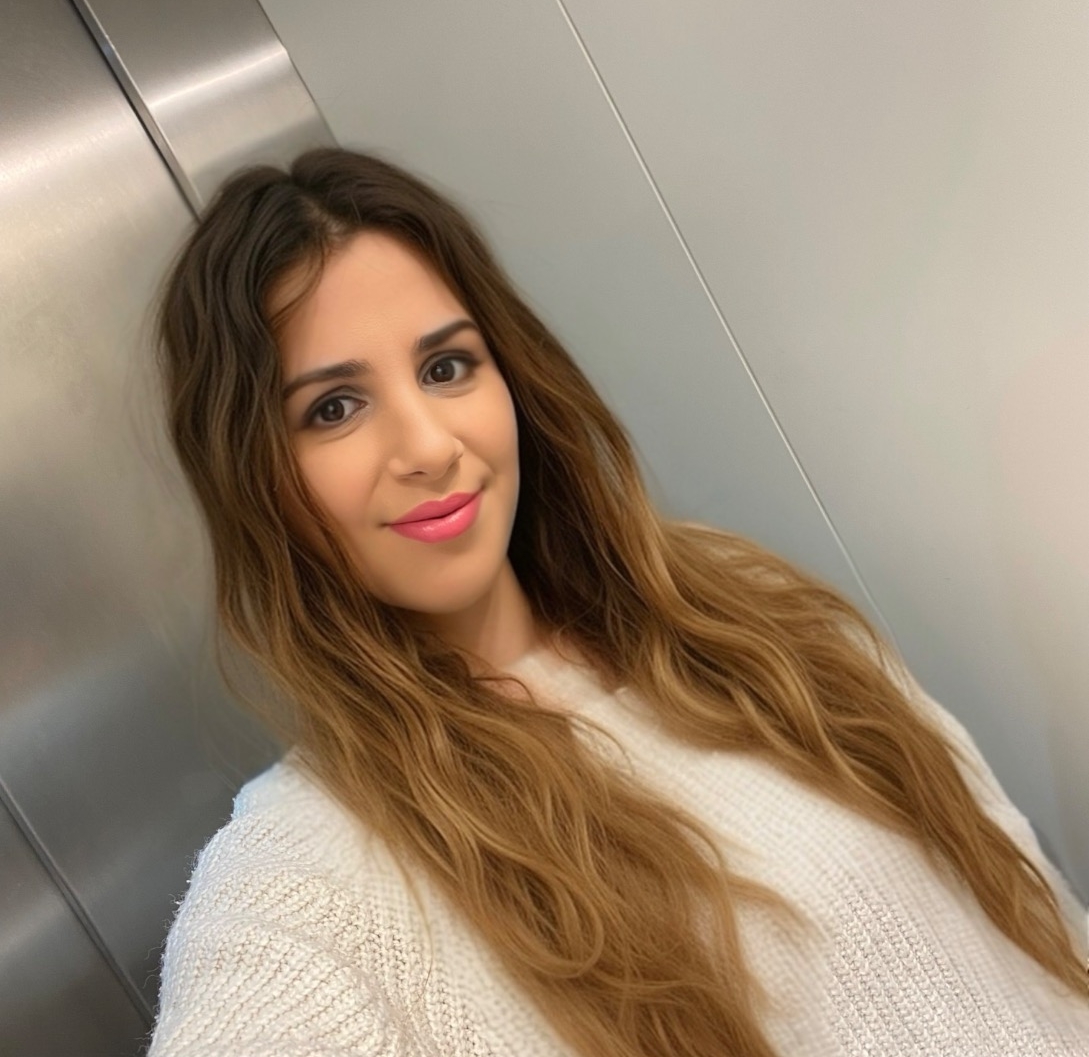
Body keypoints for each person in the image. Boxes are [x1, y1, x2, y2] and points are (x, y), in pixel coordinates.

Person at [147, 147, 1088, 1057]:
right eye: (333, 408)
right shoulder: (305, 873)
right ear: (253, 478)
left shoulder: (747, 614)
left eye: (446, 367)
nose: (428, 446)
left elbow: (1024, 905)